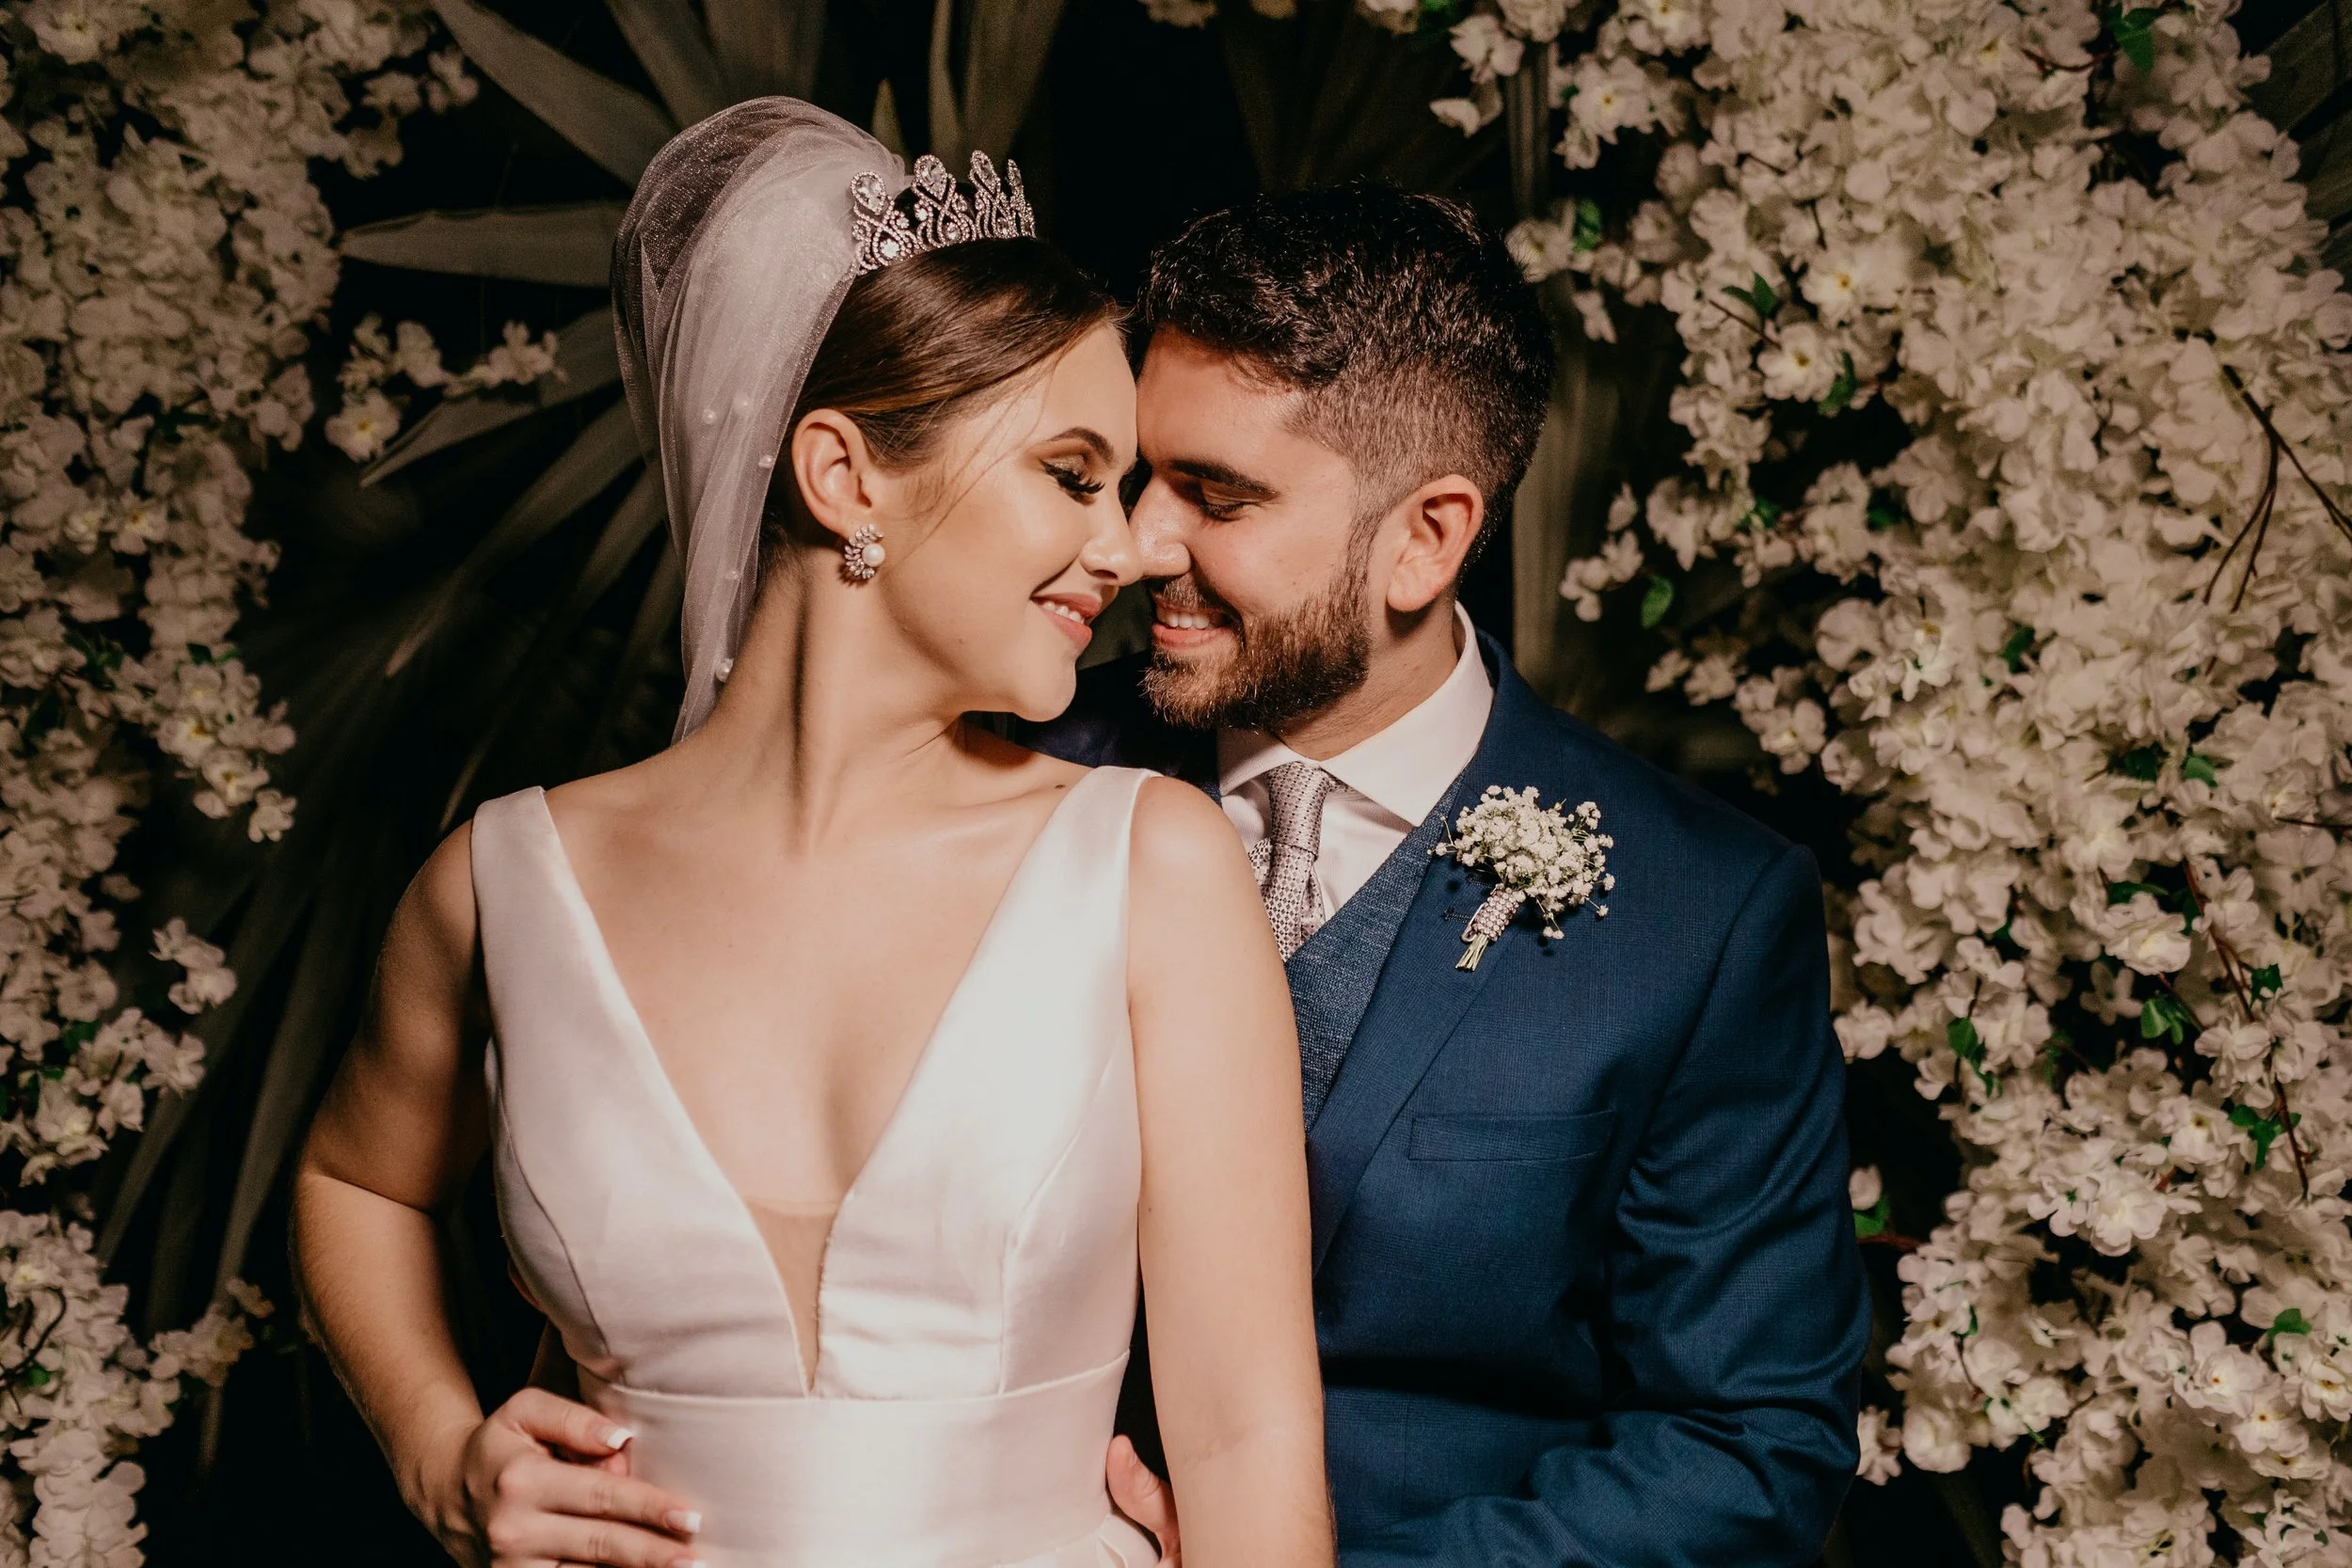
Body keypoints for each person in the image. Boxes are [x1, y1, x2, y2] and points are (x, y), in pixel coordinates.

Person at [292, 100, 1333, 1568]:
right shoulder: (500, 885)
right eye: (1073, 473)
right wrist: (437, 1450)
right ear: (845, 477)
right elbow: (354, 1181)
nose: (1126, 547)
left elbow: (1244, 1436)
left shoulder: (1149, 868)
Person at [1027, 183, 1870, 1566]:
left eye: (1216, 495)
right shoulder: (1009, 770)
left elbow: (1745, 1437)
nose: (1135, 546)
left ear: (1427, 536)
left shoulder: (1701, 914)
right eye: (1136, 472)